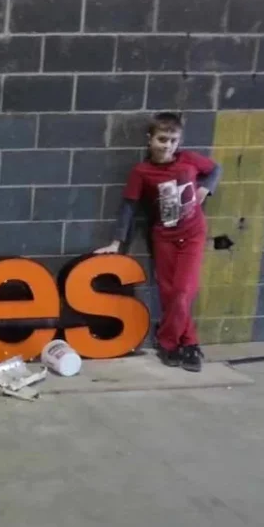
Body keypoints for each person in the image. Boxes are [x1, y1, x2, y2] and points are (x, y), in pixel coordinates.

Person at [95, 112, 222, 373]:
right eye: (162, 139)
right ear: (150, 139)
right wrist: (117, 242)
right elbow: (128, 207)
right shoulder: (141, 172)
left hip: (193, 234)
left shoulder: (188, 160)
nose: (168, 146)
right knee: (169, 293)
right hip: (164, 237)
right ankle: (188, 344)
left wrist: (206, 187)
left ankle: (169, 341)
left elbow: (215, 168)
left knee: (183, 292)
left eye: (174, 140)